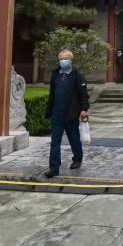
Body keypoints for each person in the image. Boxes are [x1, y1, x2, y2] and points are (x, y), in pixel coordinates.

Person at [44, 49, 89, 178]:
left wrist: (84, 109)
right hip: (56, 113)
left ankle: (77, 158)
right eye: (61, 59)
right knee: (55, 142)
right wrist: (49, 110)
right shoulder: (55, 74)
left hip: (71, 114)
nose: (63, 61)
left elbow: (84, 95)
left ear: (71, 60)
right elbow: (52, 93)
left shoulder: (77, 75)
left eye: (65, 58)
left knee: (73, 138)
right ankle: (54, 168)